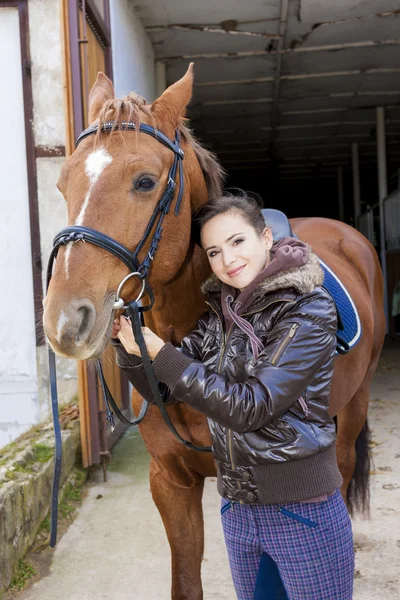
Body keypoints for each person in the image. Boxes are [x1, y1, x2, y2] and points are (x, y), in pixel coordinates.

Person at [112, 192, 354, 600]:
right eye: (214, 252)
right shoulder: (219, 317)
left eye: (237, 242)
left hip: (302, 508)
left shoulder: (308, 310)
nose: (228, 260)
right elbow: (164, 390)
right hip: (239, 509)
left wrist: (160, 353)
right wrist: (129, 345)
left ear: (265, 238)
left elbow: (250, 407)